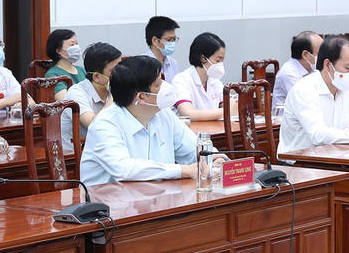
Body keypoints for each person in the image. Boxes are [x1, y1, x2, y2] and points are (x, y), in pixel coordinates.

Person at [80, 55, 200, 185]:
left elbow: (194, 150)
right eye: (158, 84)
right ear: (142, 97)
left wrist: (211, 158)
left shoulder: (164, 113)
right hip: (109, 196)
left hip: (156, 193)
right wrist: (183, 170)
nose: (166, 87)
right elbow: (124, 170)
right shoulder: (104, 124)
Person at [61, 41, 121, 151]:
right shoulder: (76, 93)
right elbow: (96, 125)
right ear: (97, 77)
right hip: (75, 155)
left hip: (104, 149)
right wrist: (115, 95)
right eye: (114, 70)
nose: (120, 74)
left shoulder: (110, 90)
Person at [170, 31, 226, 121]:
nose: (220, 65)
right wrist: (225, 112)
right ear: (203, 58)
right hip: (190, 129)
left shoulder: (215, 81)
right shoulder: (181, 80)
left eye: (222, 61)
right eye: (218, 61)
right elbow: (188, 114)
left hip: (213, 127)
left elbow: (230, 105)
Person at [272, 30, 323, 111]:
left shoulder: (312, 69)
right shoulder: (288, 73)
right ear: (305, 55)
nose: (324, 57)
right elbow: (305, 103)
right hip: (289, 117)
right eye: (321, 53)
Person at [43, 28, 86, 94]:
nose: (76, 47)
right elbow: (63, 98)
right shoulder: (52, 74)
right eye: (72, 44)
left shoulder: (82, 70)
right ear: (58, 50)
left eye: (76, 44)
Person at [144, 15, 180, 81]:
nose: (172, 43)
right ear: (155, 40)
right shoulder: (142, 64)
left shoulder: (173, 63)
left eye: (174, 39)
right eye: (169, 40)